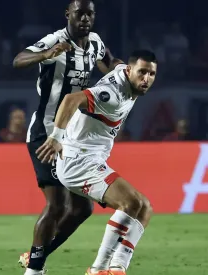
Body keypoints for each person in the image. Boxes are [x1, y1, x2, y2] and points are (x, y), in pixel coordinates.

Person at [12, 0, 122, 274]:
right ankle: (34, 270)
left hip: (74, 137)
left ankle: (36, 256)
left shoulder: (95, 42)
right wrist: (46, 53)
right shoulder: (56, 40)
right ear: (68, 15)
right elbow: (18, 60)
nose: (85, 19)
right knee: (57, 204)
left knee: (82, 209)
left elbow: (111, 63)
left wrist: (127, 73)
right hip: (46, 133)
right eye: (79, 13)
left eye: (89, 14)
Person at [36, 49, 157, 275]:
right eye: (142, 73)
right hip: (77, 161)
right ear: (130, 71)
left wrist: (96, 46)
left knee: (145, 208)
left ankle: (118, 268)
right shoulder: (111, 95)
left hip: (92, 158)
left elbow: (112, 61)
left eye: (151, 74)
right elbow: (71, 99)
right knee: (130, 203)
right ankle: (98, 269)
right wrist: (55, 137)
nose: (146, 79)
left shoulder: (123, 72)